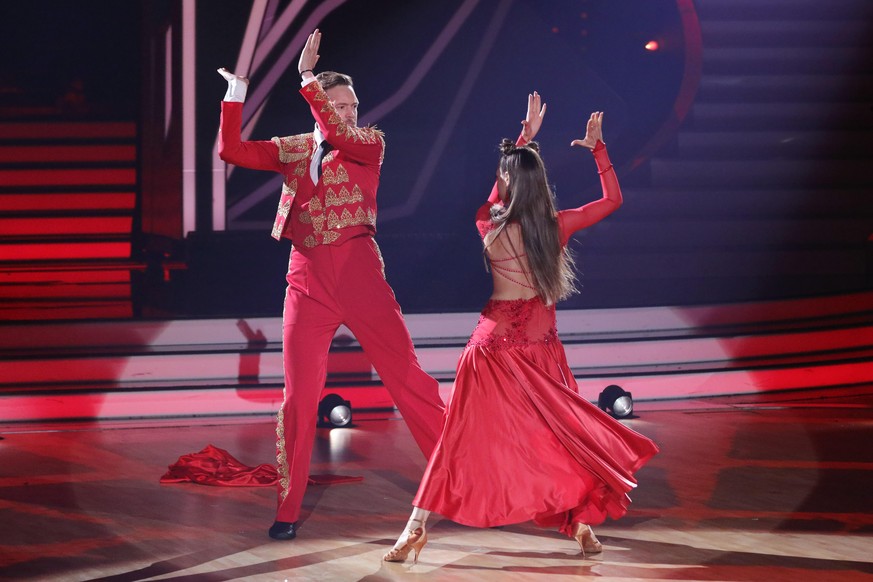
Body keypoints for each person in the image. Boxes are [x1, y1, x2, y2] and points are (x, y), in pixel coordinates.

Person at [383, 93, 659, 563]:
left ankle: (415, 528)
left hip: (490, 348)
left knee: (460, 442)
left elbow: (495, 193)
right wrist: (598, 149)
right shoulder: (558, 226)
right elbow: (613, 199)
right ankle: (583, 527)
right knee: (564, 437)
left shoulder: (485, 224)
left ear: (511, 183)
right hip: (536, 348)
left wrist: (524, 136)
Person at [217, 29, 445, 541]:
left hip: (360, 275)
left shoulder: (369, 144)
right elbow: (230, 150)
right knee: (298, 398)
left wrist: (306, 78)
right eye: (337, 104)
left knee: (407, 380)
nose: (346, 112)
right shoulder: (295, 149)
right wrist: (236, 93)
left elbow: (339, 137)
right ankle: (287, 509)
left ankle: (458, 479)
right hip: (306, 282)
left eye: (352, 104)